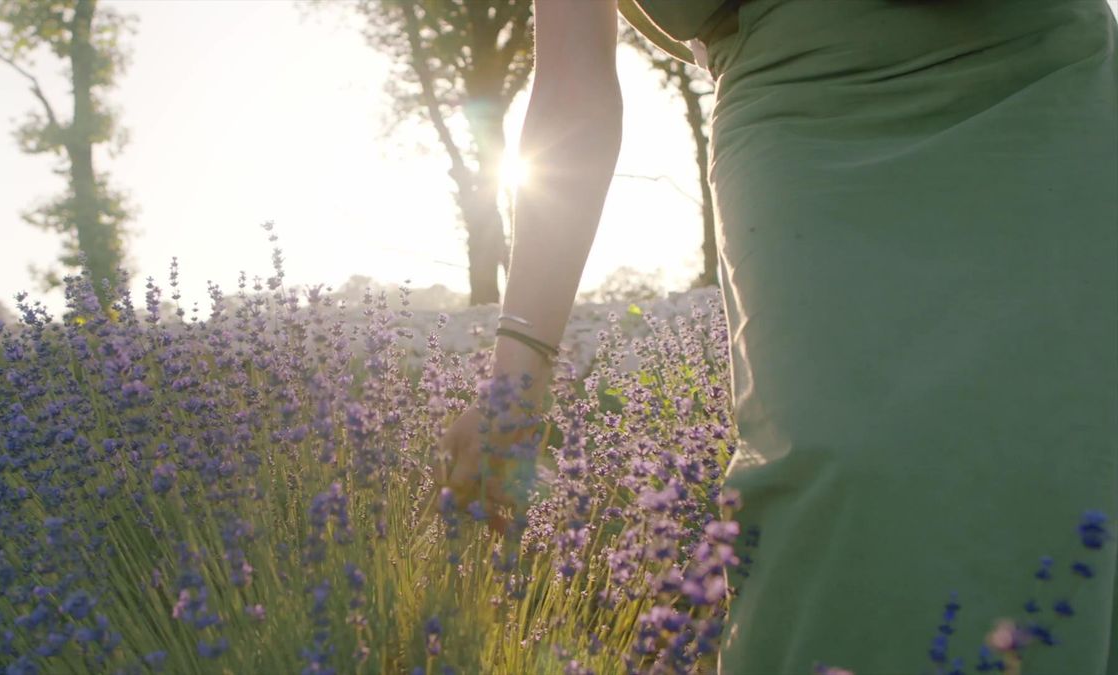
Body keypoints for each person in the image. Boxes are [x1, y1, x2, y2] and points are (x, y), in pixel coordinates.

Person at [437, 0, 1118, 673]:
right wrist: (517, 372)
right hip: (807, 119)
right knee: (842, 468)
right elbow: (574, 90)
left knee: (1065, 457)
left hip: (1043, 81)